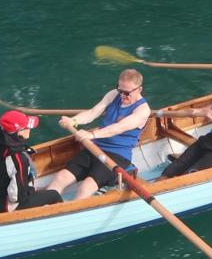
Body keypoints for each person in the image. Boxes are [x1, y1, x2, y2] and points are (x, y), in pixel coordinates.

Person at [43, 69, 150, 200]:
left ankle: (73, 215)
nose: (122, 95)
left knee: (86, 187)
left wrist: (92, 135)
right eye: (119, 89)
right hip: (95, 147)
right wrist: (73, 120)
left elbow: (117, 128)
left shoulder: (143, 110)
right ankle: (44, 206)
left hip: (117, 156)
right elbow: (93, 112)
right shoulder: (113, 94)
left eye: (127, 93)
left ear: (139, 89)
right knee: (61, 177)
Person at [0, 111, 63, 213]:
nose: (30, 129)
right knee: (54, 195)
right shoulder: (19, 160)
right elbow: (16, 197)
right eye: (27, 127)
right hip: (1, 204)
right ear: (19, 133)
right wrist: (30, 191)